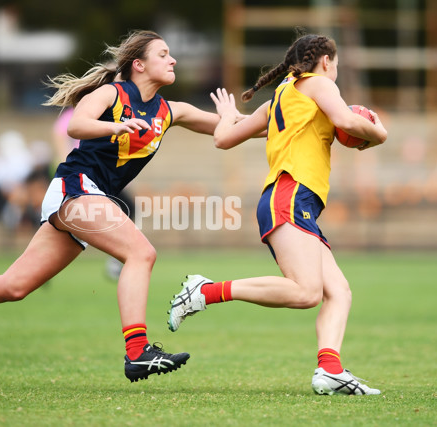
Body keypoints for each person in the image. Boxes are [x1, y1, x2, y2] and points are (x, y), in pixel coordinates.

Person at [0, 30, 223, 383]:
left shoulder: (171, 111)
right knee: (141, 253)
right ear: (139, 65)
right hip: (76, 188)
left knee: (13, 286)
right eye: (163, 54)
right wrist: (117, 126)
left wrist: (270, 115)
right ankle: (137, 353)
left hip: (88, 197)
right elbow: (77, 124)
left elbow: (234, 127)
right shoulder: (112, 93)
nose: (173, 59)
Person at [167, 33, 388, 395]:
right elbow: (346, 121)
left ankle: (329, 369)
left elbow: (224, 138)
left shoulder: (282, 98)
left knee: (339, 291)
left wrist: (226, 117)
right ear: (327, 62)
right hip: (291, 194)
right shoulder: (319, 83)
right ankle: (205, 291)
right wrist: (379, 133)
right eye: (336, 65)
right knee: (306, 293)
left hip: (293, 199)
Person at [51, 106, 134, 280]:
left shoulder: (105, 113)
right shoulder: (70, 116)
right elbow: (61, 144)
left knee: (129, 209)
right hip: (78, 178)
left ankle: (117, 258)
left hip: (98, 178)